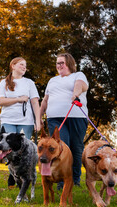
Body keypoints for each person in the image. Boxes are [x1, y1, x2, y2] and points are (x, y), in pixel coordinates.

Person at [40, 53, 89, 189]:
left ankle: (75, 179)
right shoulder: (52, 81)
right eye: (57, 63)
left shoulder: (78, 75)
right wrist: (39, 117)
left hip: (77, 116)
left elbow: (81, 85)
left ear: (69, 63)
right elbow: (45, 100)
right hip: (54, 117)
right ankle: (61, 181)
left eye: (62, 63)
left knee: (76, 148)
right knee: (61, 146)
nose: (59, 66)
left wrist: (75, 93)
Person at [0, 57, 41, 188]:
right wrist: (18, 99)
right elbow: (0, 101)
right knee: (7, 148)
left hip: (25, 121)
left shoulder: (29, 83)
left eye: (25, 65)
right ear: (13, 66)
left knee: (23, 150)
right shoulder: (4, 82)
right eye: (21, 64)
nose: (24, 67)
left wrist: (38, 121)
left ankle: (20, 176)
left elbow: (34, 102)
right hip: (7, 119)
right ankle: (13, 174)